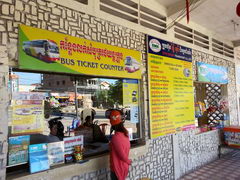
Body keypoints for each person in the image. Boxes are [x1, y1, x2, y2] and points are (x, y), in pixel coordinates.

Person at [109, 110, 131, 180]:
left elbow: (121, 155)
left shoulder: (116, 137)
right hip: (123, 167)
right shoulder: (125, 134)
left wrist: (128, 161)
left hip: (117, 168)